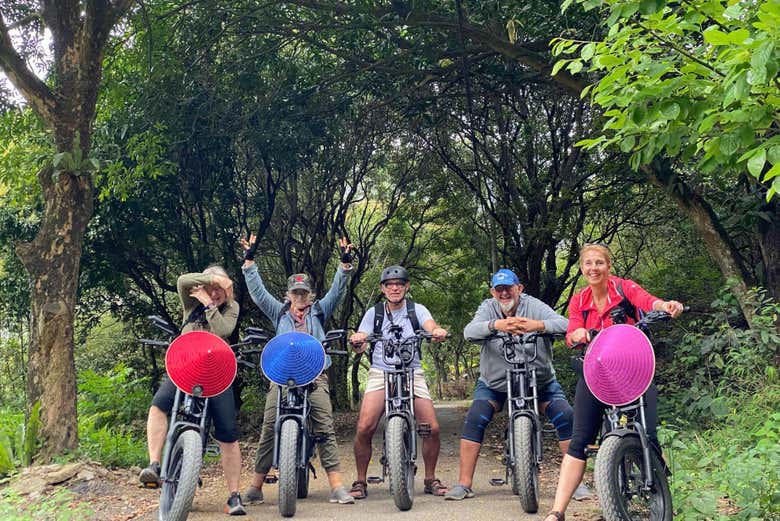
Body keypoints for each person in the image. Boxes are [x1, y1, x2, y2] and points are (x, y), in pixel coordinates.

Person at [541, 244, 684, 521]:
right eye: (588, 263)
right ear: (582, 268)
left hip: (633, 371)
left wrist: (664, 306)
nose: (594, 268)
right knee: (579, 442)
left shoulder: (623, 288)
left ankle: (660, 492)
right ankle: (557, 511)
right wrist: (578, 334)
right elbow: (571, 333)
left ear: (608, 266)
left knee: (649, 435)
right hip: (597, 374)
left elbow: (648, 301)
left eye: (599, 263)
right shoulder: (579, 301)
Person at [445, 268, 588, 501]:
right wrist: (495, 326)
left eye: (508, 288)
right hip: (496, 383)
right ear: (493, 292)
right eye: (499, 289)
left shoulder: (534, 305)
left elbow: (565, 324)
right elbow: (469, 331)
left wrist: (537, 325)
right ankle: (464, 483)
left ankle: (576, 483)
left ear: (519, 288)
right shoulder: (488, 308)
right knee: (476, 417)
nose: (504, 293)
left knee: (566, 416)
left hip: (538, 381)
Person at [241, 235, 356, 505]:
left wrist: (344, 264)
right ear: (289, 295)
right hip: (281, 377)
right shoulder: (279, 312)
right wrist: (249, 262)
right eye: (296, 292)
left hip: (315, 375)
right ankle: (256, 487)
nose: (300, 296)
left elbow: (337, 291)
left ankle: (337, 486)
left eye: (304, 292)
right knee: (269, 426)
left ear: (310, 295)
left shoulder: (319, 311)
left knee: (324, 427)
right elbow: (258, 293)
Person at [139, 265, 246, 515]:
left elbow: (222, 331)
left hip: (217, 373)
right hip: (185, 368)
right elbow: (182, 280)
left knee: (228, 434)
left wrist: (210, 303)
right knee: (158, 406)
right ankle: (154, 464)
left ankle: (234, 495)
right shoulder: (191, 302)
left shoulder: (232, 307)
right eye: (211, 288)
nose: (215, 292)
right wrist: (213, 280)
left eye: (220, 289)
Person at [348, 265, 449, 499]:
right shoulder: (374, 313)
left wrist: (437, 331)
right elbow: (361, 343)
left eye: (399, 284)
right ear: (383, 289)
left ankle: (430, 479)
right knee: (364, 427)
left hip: (412, 371)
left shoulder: (417, 309)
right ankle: (360, 481)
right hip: (380, 372)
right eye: (390, 285)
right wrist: (358, 340)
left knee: (431, 428)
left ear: (407, 287)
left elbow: (430, 326)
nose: (395, 288)